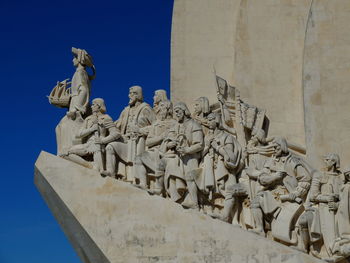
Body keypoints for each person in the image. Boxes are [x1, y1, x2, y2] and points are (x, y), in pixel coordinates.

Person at [247, 137, 311, 237]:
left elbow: (305, 180)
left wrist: (296, 193)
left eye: (276, 148)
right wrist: (274, 177)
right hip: (272, 192)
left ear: (282, 147)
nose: (274, 150)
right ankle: (260, 228)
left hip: (287, 194)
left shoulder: (293, 162)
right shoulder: (271, 161)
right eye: (273, 148)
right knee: (256, 200)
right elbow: (262, 178)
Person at [156, 102, 204, 209]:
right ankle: (175, 199)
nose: (176, 114)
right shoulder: (175, 126)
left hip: (191, 156)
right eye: (175, 112)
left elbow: (200, 144)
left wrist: (187, 150)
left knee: (190, 177)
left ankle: (195, 203)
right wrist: (170, 144)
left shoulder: (194, 125)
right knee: (170, 170)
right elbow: (168, 140)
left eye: (178, 112)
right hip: (178, 156)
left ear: (184, 111)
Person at [102, 86, 155, 180]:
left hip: (139, 143)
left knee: (137, 161)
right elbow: (117, 124)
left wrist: (140, 130)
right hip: (125, 141)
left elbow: (156, 127)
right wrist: (105, 124)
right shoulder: (126, 110)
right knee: (110, 147)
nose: (129, 95)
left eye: (131, 93)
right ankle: (111, 173)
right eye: (129, 93)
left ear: (138, 95)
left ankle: (139, 180)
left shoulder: (146, 109)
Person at [202, 113, 244, 223]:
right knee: (215, 193)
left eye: (211, 119)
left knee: (229, 192)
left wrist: (218, 147)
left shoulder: (227, 137)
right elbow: (201, 154)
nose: (208, 122)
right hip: (211, 167)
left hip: (225, 169)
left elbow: (231, 156)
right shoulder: (207, 136)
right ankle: (216, 211)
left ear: (216, 121)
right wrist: (207, 147)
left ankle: (234, 219)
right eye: (208, 120)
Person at [63, 98, 119, 172]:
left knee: (99, 170)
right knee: (66, 153)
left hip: (98, 144)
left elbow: (116, 133)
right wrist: (91, 129)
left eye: (93, 105)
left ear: (99, 106)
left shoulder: (106, 118)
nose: (91, 107)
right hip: (88, 144)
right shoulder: (88, 119)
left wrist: (103, 141)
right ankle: (89, 165)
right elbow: (78, 134)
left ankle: (97, 167)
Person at [133, 100, 176, 193]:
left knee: (160, 164)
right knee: (138, 158)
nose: (159, 109)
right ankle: (143, 184)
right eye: (159, 107)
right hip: (155, 150)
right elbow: (148, 142)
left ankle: (158, 188)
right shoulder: (155, 124)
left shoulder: (174, 123)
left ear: (168, 109)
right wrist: (161, 137)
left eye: (162, 107)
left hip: (168, 152)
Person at [67, 47, 96, 120]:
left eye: (74, 58)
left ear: (79, 59)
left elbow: (84, 90)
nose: (72, 60)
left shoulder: (80, 72)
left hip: (76, 104)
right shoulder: (80, 72)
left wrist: (77, 107)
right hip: (74, 101)